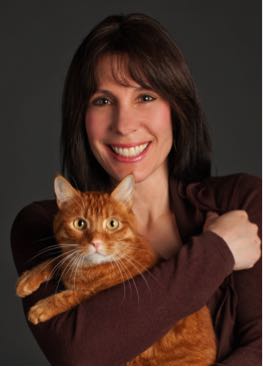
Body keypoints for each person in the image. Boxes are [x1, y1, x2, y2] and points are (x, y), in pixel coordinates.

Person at [11, 13, 261, 365]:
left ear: (177, 106)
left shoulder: (243, 201)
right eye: (102, 100)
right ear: (80, 117)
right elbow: (80, 353)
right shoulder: (42, 223)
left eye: (145, 97)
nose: (125, 125)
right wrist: (216, 252)